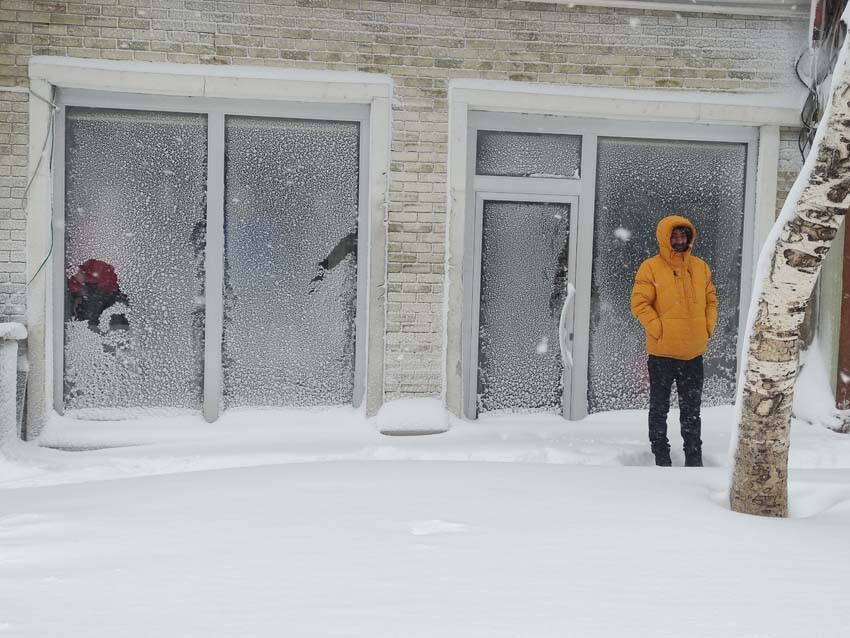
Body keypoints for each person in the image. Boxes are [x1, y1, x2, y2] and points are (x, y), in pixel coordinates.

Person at [630, 216, 717, 467]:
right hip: (662, 354)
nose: (680, 240)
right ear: (665, 238)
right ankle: (661, 458)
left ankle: (694, 458)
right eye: (675, 236)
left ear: (690, 238)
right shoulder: (650, 268)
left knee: (692, 411)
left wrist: (707, 327)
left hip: (693, 353)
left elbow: (711, 299)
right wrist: (659, 329)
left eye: (683, 236)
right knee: (659, 408)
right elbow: (639, 303)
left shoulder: (700, 267)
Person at [67, 258, 130, 331]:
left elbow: (88, 323)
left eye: (80, 272)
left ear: (90, 278)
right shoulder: (112, 295)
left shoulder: (94, 298)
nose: (75, 274)